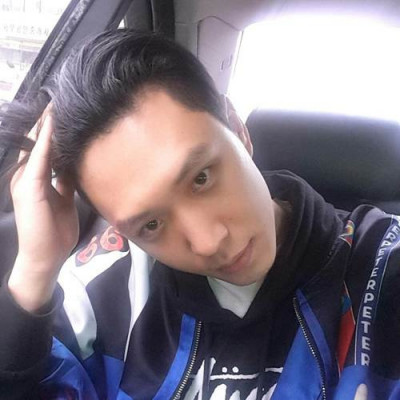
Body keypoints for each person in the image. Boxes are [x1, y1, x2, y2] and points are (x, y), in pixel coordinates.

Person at [0, 29, 398, 400]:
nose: (209, 243)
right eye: (151, 225)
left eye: (202, 178)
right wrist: (35, 270)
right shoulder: (101, 297)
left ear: (237, 129)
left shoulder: (382, 274)